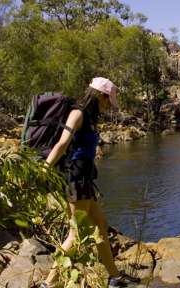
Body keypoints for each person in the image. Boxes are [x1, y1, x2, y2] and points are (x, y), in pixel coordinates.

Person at [41, 77, 140, 288]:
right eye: (107, 101)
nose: (107, 106)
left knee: (101, 226)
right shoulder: (78, 114)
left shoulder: (91, 118)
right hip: (76, 179)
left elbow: (83, 144)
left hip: (85, 180)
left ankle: (114, 276)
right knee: (76, 234)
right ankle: (48, 284)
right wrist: (44, 169)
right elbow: (62, 144)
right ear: (100, 96)